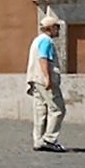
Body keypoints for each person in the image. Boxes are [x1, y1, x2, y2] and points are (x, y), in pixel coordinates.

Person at [28, 14, 66, 151]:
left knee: (41, 110)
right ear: (50, 28)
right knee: (58, 109)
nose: (59, 30)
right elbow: (43, 58)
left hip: (35, 79)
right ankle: (49, 139)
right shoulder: (47, 41)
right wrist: (47, 77)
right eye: (57, 27)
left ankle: (38, 140)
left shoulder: (37, 40)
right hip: (44, 79)